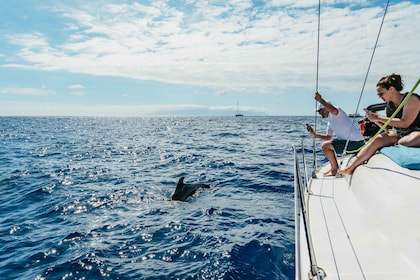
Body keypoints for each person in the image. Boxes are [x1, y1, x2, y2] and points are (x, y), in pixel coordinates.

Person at [339, 73, 420, 175]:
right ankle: (350, 168)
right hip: (398, 134)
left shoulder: (411, 99)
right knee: (378, 139)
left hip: (416, 131)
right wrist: (376, 120)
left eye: (381, 93)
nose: (379, 97)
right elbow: (388, 128)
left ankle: (400, 143)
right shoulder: (388, 106)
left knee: (415, 138)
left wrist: (379, 118)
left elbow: (405, 123)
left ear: (391, 89)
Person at [306, 92, 365, 176]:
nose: (319, 113)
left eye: (320, 111)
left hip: (356, 143)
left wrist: (320, 100)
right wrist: (314, 134)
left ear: (325, 109)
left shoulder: (337, 112)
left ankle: (334, 169)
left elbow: (333, 109)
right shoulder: (330, 121)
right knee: (326, 144)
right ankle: (334, 168)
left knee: (325, 146)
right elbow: (328, 137)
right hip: (350, 144)